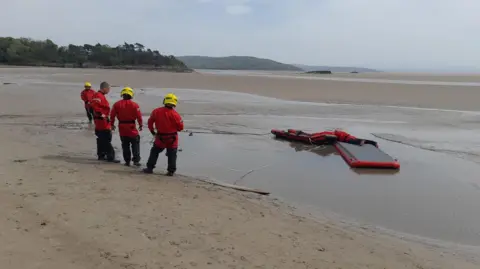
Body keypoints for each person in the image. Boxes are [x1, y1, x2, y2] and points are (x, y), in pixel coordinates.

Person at [143, 93, 184, 176]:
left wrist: (152, 132)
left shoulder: (156, 111)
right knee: (172, 154)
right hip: (172, 138)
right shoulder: (175, 115)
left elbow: (150, 122)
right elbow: (180, 128)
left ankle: (150, 168)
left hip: (160, 137)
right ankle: (171, 171)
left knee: (155, 151)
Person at [110, 87, 143, 167]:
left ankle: (127, 161)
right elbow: (139, 116)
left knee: (125, 145)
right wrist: (140, 124)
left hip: (122, 127)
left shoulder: (117, 104)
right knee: (135, 144)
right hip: (132, 127)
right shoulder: (135, 105)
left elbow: (112, 115)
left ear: (122, 94)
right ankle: (136, 161)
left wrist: (112, 124)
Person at [90, 81, 120, 163]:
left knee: (101, 138)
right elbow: (95, 107)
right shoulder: (98, 95)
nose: (109, 90)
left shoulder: (100, 96)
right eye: (108, 89)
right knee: (106, 138)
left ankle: (101, 155)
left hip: (100, 120)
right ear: (105, 88)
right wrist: (103, 116)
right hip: (101, 121)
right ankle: (110, 156)